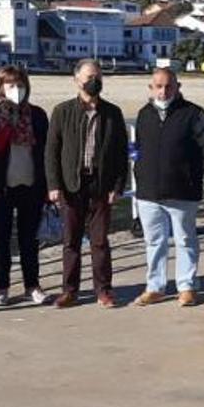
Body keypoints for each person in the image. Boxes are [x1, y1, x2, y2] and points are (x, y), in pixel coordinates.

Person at [45, 59, 130, 309]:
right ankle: (69, 290)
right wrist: (54, 185)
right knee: (70, 241)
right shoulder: (62, 112)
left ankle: (103, 290)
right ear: (77, 80)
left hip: (101, 185)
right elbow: (51, 151)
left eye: (98, 77)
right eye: (89, 77)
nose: (94, 81)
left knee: (100, 242)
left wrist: (118, 185)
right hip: (72, 185)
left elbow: (121, 153)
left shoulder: (113, 113)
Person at [132, 68, 204, 307]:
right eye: (158, 86)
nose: (163, 91)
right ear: (151, 88)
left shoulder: (194, 114)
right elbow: (139, 149)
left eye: (168, 86)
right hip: (149, 192)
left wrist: (192, 173)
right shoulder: (143, 114)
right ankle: (155, 286)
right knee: (154, 242)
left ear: (178, 87)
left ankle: (187, 286)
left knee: (185, 239)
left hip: (183, 191)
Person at [0, 65, 50, 307]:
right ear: (0, 89)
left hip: (31, 186)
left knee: (30, 240)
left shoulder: (37, 115)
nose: (16, 90)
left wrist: (49, 187)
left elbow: (48, 153)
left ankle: (32, 285)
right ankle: (1, 288)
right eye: (10, 85)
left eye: (20, 85)